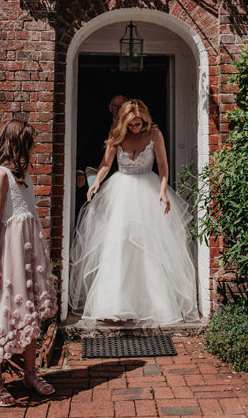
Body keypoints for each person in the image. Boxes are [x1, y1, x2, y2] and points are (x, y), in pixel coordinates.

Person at [68, 99, 199, 325]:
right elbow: (106, 165)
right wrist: (96, 182)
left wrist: (163, 191)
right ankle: (115, 304)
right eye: (131, 124)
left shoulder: (155, 135)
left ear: (145, 119)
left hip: (148, 191)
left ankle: (153, 305)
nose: (135, 128)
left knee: (150, 248)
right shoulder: (117, 135)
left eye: (139, 123)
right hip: (121, 193)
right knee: (119, 245)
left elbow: (164, 166)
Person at [0, 118, 57, 407]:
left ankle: (30, 373)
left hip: (27, 256)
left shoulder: (24, 175)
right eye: (27, 143)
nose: (30, 148)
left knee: (27, 311)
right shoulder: (1, 175)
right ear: (15, 143)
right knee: (2, 313)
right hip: (7, 255)